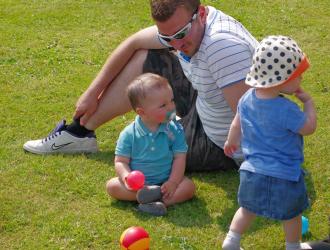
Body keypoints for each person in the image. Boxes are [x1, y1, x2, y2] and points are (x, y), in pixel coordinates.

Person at [23, 0, 259, 172]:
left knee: (143, 150)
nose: (176, 43)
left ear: (202, 14)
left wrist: (259, 172)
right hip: (206, 105)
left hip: (218, 144)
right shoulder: (193, 25)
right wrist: (91, 93)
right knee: (148, 55)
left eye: (181, 33)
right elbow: (134, 42)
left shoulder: (222, 48)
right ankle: (81, 132)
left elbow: (253, 120)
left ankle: (174, 131)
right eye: (167, 37)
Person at [221, 35, 317, 250]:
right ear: (283, 79)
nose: (301, 80)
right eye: (299, 76)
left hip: (251, 171)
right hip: (285, 175)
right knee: (292, 215)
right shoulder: (286, 109)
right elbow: (309, 128)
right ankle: (293, 246)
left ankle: (232, 240)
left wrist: (231, 141)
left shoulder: (246, 98)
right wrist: (309, 103)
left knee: (247, 208)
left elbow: (237, 122)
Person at [105, 73, 195, 216]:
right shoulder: (129, 134)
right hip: (138, 187)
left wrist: (173, 182)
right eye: (163, 105)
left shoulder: (174, 129)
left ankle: (157, 201)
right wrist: (127, 177)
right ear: (142, 112)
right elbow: (121, 161)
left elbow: (179, 157)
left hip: (165, 182)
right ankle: (144, 197)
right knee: (112, 186)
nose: (171, 107)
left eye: (171, 100)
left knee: (189, 187)